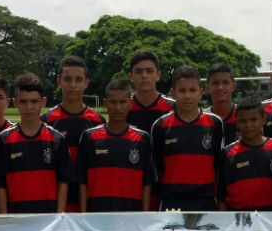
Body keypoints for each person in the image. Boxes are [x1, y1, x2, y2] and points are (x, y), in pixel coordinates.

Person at [0, 73, 73, 214]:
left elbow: (63, 183)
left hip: (48, 221)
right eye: (23, 102)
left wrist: (58, 217)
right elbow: (0, 185)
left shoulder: (56, 139)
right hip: (16, 220)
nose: (29, 107)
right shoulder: (4, 139)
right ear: (15, 102)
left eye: (34, 101)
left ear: (43, 102)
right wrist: (4, 220)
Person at [151, 66, 224, 211]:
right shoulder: (160, 125)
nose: (187, 96)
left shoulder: (215, 123)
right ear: (173, 93)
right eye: (182, 90)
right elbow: (157, 169)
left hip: (206, 201)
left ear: (201, 92)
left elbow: (219, 167)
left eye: (192, 90)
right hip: (171, 202)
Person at [78, 78, 154, 212]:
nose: (118, 107)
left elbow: (146, 184)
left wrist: (144, 217)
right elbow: (83, 182)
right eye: (113, 102)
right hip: (97, 216)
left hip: (131, 217)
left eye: (122, 102)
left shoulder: (142, 139)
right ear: (105, 103)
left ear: (130, 103)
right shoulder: (89, 137)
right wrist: (84, 216)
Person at [43, 55, 105, 211]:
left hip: (89, 203)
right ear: (59, 81)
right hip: (55, 203)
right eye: (67, 79)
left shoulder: (98, 121)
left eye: (78, 80)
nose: (72, 85)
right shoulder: (46, 120)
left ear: (86, 83)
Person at [218, 96, 272, 211]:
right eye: (243, 121)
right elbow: (222, 195)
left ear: (263, 119)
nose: (248, 125)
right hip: (237, 220)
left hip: (270, 219)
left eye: (253, 120)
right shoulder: (227, 152)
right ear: (236, 122)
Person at [125, 50, 174, 135]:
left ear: (158, 75)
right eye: (138, 72)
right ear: (131, 76)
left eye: (149, 71)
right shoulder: (124, 107)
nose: (144, 76)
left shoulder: (173, 107)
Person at [206, 63, 239, 146]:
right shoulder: (202, 119)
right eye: (215, 83)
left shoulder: (244, 117)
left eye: (225, 82)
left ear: (234, 86)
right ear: (207, 88)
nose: (220, 87)